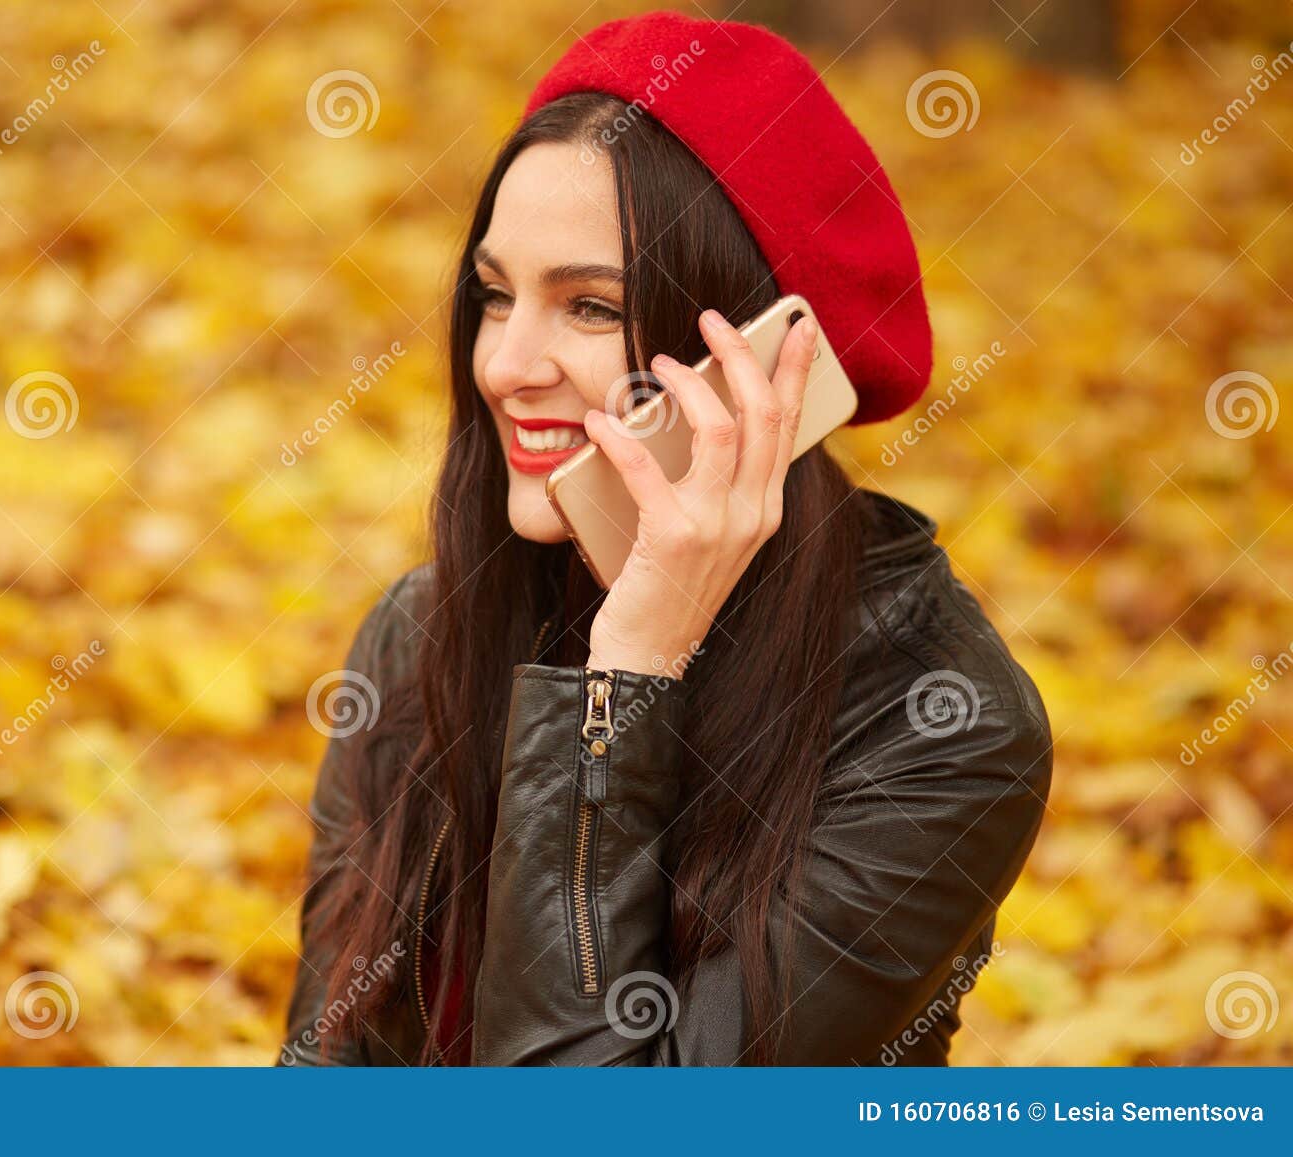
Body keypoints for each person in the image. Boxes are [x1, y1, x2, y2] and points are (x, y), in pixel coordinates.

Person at [277, 9, 1052, 1066]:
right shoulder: (420, 635)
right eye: (495, 296)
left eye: (590, 308)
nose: (504, 364)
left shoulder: (937, 729)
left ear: (761, 364)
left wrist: (622, 682)